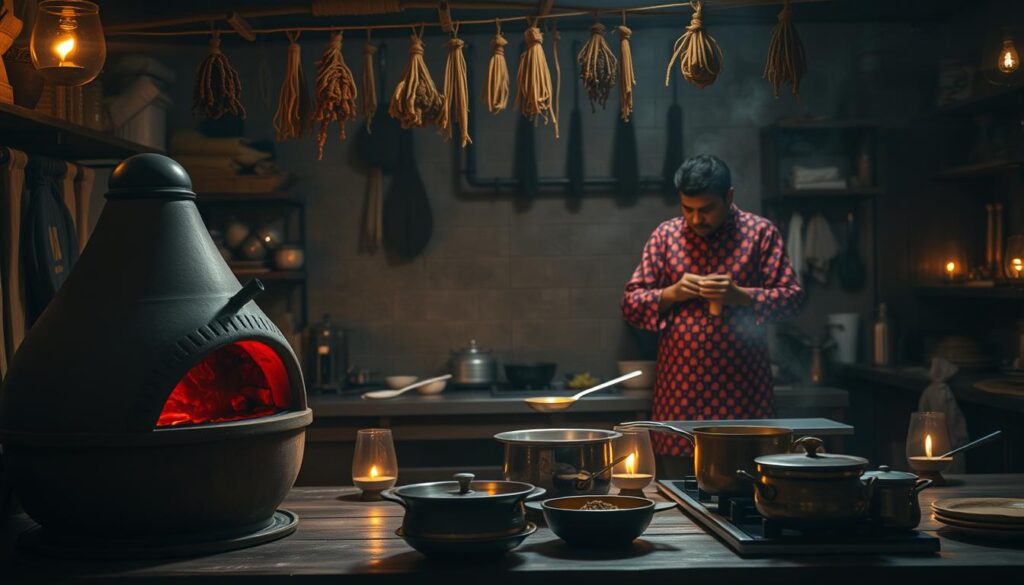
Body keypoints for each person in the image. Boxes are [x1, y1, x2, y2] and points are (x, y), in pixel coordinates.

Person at [620, 154, 804, 476]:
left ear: (729, 197)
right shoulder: (665, 236)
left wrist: (741, 296)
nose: (695, 218)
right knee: (677, 490)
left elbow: (792, 299)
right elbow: (631, 304)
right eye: (687, 209)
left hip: (745, 397)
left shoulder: (760, 233)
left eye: (706, 209)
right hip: (679, 396)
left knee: (749, 490)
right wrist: (672, 293)